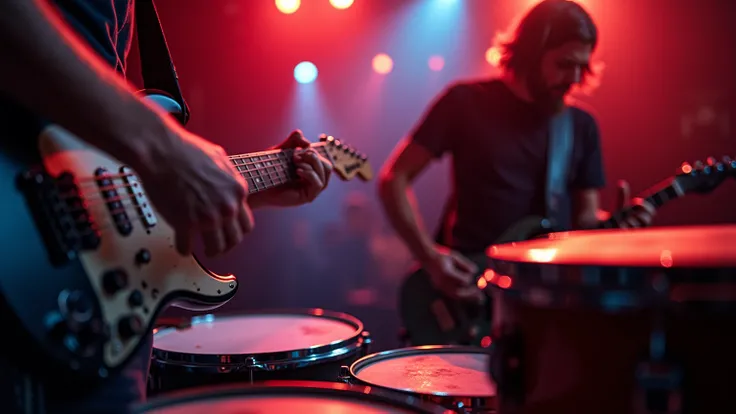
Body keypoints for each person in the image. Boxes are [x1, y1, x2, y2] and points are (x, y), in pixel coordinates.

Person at [0, 1, 331, 413]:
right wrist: (161, 145)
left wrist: (234, 190)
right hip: (23, 267)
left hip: (89, 296)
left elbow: (105, 170)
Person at [377, 0, 655, 329]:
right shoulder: (465, 102)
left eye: (583, 66)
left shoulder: (580, 127)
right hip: (463, 293)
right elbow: (394, 178)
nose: (575, 78)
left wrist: (617, 226)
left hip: (541, 302)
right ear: (530, 53)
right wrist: (431, 258)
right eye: (565, 64)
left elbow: (584, 221)